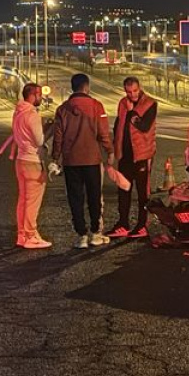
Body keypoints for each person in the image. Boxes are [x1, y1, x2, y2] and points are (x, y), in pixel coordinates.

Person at [52, 73, 115, 249]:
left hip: (71, 161)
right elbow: (103, 133)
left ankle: (81, 235)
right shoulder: (96, 106)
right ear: (86, 87)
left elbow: (58, 137)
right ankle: (95, 233)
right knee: (94, 197)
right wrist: (109, 151)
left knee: (75, 198)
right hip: (91, 160)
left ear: (73, 88)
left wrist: (55, 158)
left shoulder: (62, 109)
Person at [110, 77, 158, 238]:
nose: (132, 95)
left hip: (142, 155)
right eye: (129, 92)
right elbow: (118, 126)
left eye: (135, 91)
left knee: (142, 192)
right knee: (123, 190)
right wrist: (114, 149)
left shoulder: (150, 103)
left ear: (140, 88)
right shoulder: (122, 103)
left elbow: (144, 126)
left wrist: (132, 112)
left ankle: (142, 225)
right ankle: (123, 223)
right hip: (125, 155)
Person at [13, 83, 52, 249]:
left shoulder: (18, 112)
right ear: (33, 95)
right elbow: (39, 140)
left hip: (20, 159)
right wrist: (47, 129)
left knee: (23, 200)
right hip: (32, 161)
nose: (41, 98)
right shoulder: (32, 114)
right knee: (32, 202)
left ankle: (22, 234)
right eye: (39, 95)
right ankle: (30, 235)